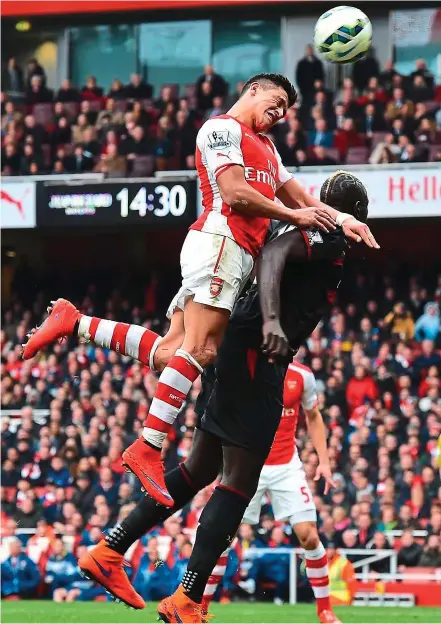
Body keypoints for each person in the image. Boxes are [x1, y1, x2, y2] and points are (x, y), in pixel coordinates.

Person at [22, 74, 378, 508]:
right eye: (276, 100)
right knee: (203, 350)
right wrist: (293, 216)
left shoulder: (268, 148)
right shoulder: (222, 129)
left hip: (231, 254)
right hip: (220, 243)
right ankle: (149, 446)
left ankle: (76, 323)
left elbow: (303, 197)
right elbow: (234, 190)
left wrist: (342, 220)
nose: (280, 112)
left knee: (173, 353)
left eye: (286, 108)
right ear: (252, 89)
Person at [75, 172, 371, 621]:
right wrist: (272, 321)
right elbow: (272, 257)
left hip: (236, 348)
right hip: (256, 354)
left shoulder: (300, 224)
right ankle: (186, 599)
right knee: (237, 483)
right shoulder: (325, 237)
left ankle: (109, 549)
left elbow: (268, 248)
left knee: (199, 469)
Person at [200, 363, 341, 623]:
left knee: (309, 535)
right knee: (222, 537)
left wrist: (324, 461)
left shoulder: (302, 376)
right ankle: (201, 607)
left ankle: (325, 611)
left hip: (286, 466)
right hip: (246, 464)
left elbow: (313, 415)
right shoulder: (247, 369)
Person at [326, 542, 356, 607]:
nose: (329, 551)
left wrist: (351, 599)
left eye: (331, 549)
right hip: (329, 598)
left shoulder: (343, 563)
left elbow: (351, 583)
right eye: (327, 549)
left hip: (341, 599)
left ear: (336, 550)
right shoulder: (326, 563)